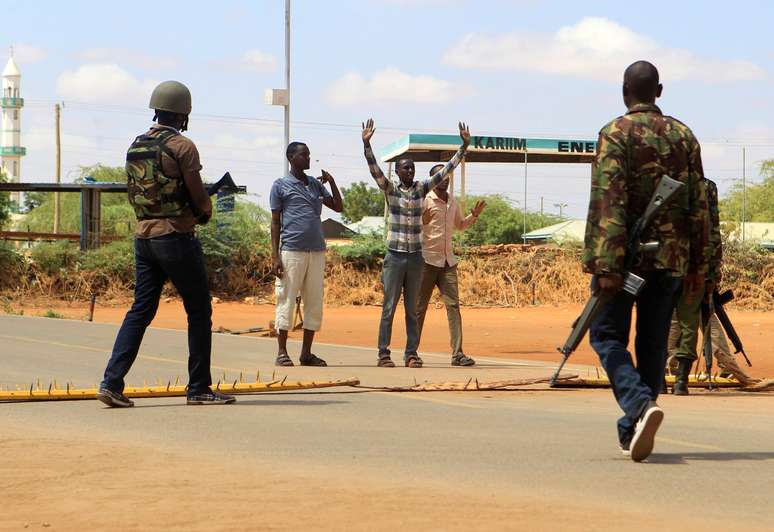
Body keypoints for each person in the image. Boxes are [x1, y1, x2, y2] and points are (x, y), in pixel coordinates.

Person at [583, 61, 709, 461]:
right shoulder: (684, 136)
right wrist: (700, 267)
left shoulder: (615, 134)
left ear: (625, 90)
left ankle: (638, 406)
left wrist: (607, 266)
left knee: (605, 336)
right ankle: (633, 427)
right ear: (659, 90)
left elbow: (609, 202)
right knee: (653, 343)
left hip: (625, 261)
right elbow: (700, 204)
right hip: (672, 261)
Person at [97, 80, 235, 407]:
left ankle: (111, 383)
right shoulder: (183, 146)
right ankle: (199, 388)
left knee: (140, 311)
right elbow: (198, 194)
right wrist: (204, 210)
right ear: (183, 114)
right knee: (199, 310)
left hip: (143, 237)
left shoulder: (136, 145)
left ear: (156, 109)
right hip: (175, 236)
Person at [361, 118, 470, 367]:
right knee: (388, 308)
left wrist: (463, 147)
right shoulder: (390, 190)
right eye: (405, 169)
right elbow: (374, 168)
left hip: (415, 258)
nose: (409, 172)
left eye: (411, 168)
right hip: (395, 256)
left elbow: (446, 171)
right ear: (398, 172)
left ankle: (411, 353)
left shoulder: (422, 189)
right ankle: (384, 354)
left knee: (412, 309)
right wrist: (366, 145)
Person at [667, 178, 757, 388]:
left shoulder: (665, 182)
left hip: (673, 265)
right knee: (704, 318)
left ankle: (670, 371)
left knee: (678, 319)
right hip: (699, 267)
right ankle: (680, 372)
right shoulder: (706, 186)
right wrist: (713, 272)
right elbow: (713, 232)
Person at [270, 142, 343, 366]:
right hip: (291, 250)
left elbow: (338, 207)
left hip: (316, 251)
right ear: (291, 158)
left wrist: (331, 182)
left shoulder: (314, 185)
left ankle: (306, 353)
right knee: (286, 299)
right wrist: (274, 256)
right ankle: (282, 352)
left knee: (313, 301)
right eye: (304, 154)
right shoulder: (280, 185)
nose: (309, 158)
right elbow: (275, 223)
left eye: (309, 154)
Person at [416, 165, 486, 366]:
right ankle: (411, 352)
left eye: (447, 175)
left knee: (453, 307)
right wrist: (421, 220)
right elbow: (414, 227)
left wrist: (474, 216)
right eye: (440, 175)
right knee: (419, 308)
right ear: (431, 179)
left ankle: (458, 354)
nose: (444, 178)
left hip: (448, 262)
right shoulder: (425, 200)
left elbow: (460, 226)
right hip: (427, 261)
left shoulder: (452, 201)